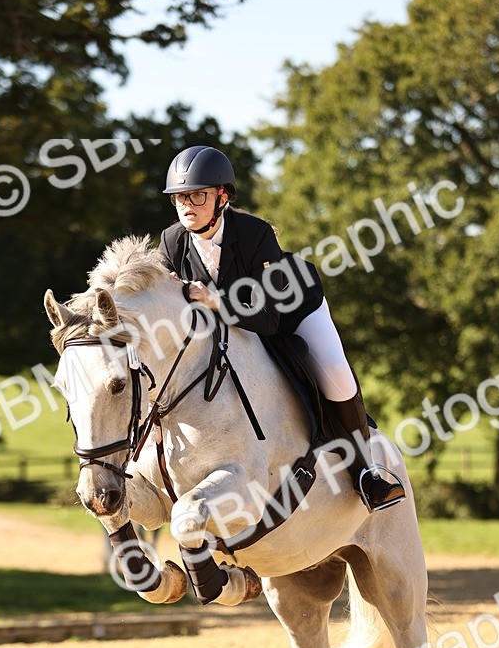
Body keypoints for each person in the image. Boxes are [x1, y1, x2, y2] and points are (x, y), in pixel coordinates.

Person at [158, 145, 405, 512]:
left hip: (293, 311)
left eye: (197, 195)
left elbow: (268, 320)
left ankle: (366, 472)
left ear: (222, 197)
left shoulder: (255, 234)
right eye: (180, 197)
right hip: (230, 323)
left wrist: (216, 301)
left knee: (335, 373)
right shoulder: (171, 241)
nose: (186, 205)